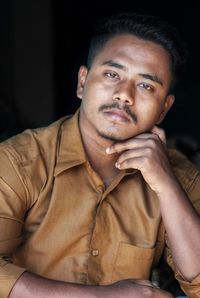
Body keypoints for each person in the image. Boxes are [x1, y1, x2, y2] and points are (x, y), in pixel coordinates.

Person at [0, 12, 199, 298]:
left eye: (145, 85)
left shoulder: (178, 176)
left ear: (164, 108)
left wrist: (167, 186)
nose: (124, 95)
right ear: (82, 82)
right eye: (112, 74)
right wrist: (100, 296)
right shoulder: (20, 161)